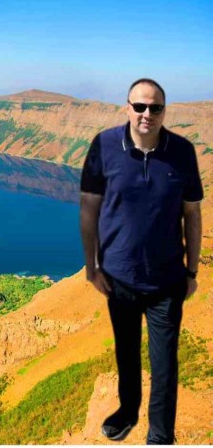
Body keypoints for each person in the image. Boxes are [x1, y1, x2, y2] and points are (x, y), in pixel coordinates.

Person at [79, 78, 203, 445]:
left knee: (164, 365)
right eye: (140, 106)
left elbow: (192, 215)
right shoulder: (103, 146)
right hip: (119, 279)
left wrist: (192, 271)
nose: (147, 114)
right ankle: (128, 410)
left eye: (156, 107)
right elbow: (89, 209)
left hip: (166, 280)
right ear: (127, 107)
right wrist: (92, 267)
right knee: (126, 354)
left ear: (164, 110)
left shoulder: (182, 152)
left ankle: (160, 436)